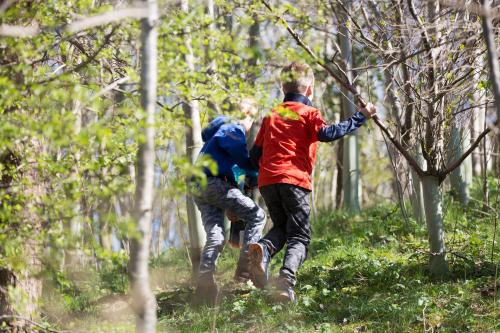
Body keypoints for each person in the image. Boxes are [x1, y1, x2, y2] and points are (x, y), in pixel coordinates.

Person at [248, 61, 377, 302]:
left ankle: (264, 248)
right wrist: (361, 116)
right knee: (300, 236)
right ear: (310, 89)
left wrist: (250, 182)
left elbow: (254, 155)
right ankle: (285, 283)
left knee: (282, 228)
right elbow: (326, 133)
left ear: (282, 87)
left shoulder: (272, 115)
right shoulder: (308, 112)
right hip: (294, 180)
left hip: (268, 182)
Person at [192, 98, 266, 305]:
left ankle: (204, 285)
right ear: (248, 116)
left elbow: (228, 167)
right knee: (258, 216)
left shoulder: (214, 134)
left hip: (198, 185)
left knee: (215, 235)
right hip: (212, 183)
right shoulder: (233, 127)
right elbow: (242, 160)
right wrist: (255, 171)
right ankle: (245, 273)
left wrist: (230, 199)